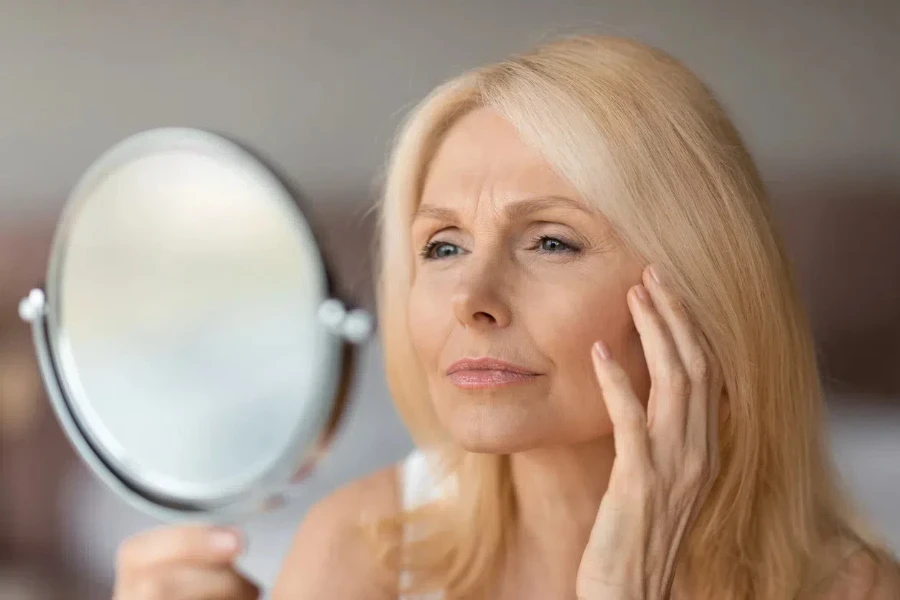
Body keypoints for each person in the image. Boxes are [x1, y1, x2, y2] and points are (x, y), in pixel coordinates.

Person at [112, 35, 900, 599]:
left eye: (551, 241)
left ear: (705, 291)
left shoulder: (851, 588)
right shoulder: (368, 548)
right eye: (443, 246)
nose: (470, 298)